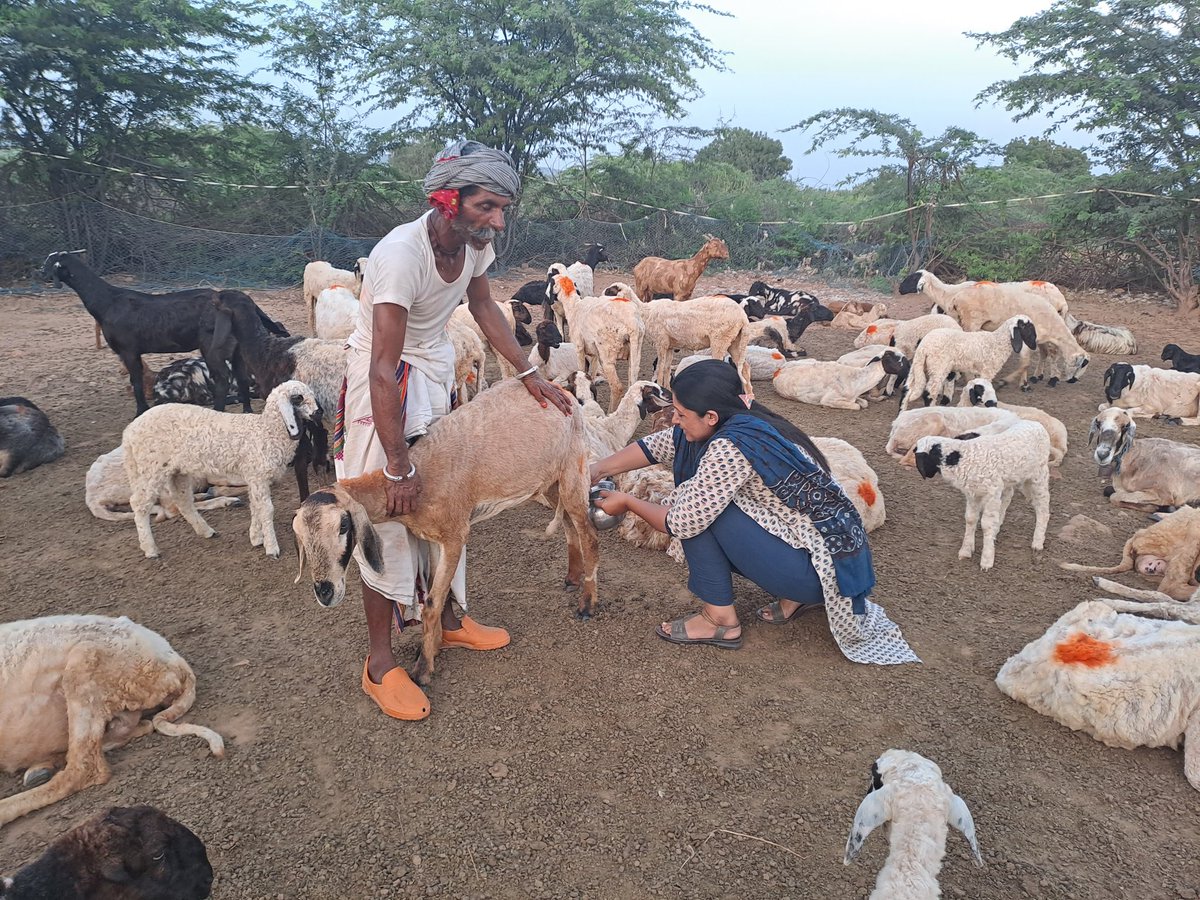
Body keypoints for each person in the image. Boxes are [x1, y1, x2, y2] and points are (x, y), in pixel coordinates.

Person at [334, 140, 573, 721]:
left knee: (451, 502)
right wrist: (396, 463)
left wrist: (529, 371)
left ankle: (450, 618)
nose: (496, 220)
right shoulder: (400, 255)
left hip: (436, 375)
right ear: (447, 199)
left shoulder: (471, 246)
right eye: (486, 206)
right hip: (383, 389)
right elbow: (382, 366)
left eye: (503, 209)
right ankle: (381, 662)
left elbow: (485, 309)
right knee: (388, 510)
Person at [590, 359, 917, 665]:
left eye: (680, 413)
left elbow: (682, 522)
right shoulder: (741, 419)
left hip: (823, 573)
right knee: (702, 497)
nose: (674, 419)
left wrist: (628, 502)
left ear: (711, 417)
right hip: (833, 558)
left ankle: (720, 620)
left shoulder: (728, 447)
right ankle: (796, 595)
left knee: (697, 508)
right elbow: (657, 446)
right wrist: (597, 468)